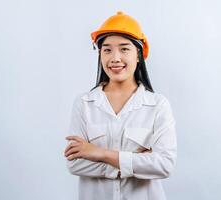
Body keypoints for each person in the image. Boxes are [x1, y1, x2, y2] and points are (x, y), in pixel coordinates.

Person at [64, 11, 177, 200]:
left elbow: (164, 165)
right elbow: (75, 164)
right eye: (107, 49)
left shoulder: (157, 105)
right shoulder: (84, 104)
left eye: (124, 49)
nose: (115, 58)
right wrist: (137, 162)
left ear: (139, 55)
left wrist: (99, 153)